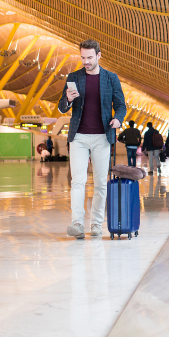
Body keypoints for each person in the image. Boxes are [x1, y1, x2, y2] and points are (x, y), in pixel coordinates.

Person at [57, 39, 127, 239]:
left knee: (100, 184)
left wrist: (118, 119)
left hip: (102, 137)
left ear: (99, 55)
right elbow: (62, 107)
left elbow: (121, 105)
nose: (86, 61)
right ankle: (77, 224)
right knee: (77, 182)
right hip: (78, 137)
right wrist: (68, 99)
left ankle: (97, 224)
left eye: (89, 57)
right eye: (82, 58)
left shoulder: (111, 78)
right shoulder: (74, 77)